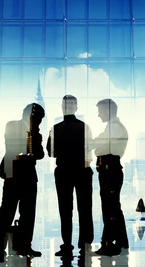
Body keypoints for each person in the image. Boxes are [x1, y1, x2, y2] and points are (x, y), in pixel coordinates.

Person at [0, 103, 45, 261]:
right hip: (13, 173)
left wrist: (34, 133)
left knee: (28, 213)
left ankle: (24, 246)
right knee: (7, 211)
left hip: (27, 176)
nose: (39, 122)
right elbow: (13, 146)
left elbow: (39, 154)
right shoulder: (12, 125)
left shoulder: (36, 133)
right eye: (37, 119)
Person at [47, 95, 94, 256]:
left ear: (62, 107)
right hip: (82, 170)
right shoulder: (84, 127)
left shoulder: (56, 128)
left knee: (65, 209)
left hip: (64, 171)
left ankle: (67, 244)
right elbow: (90, 149)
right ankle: (85, 243)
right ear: (76, 107)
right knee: (85, 208)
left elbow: (50, 153)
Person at [93, 99, 129, 256]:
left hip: (110, 171)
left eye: (100, 111)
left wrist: (97, 148)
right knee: (113, 207)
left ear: (108, 110)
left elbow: (96, 144)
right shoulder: (113, 127)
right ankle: (121, 241)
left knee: (109, 209)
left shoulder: (114, 128)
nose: (99, 114)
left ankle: (108, 243)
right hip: (111, 170)